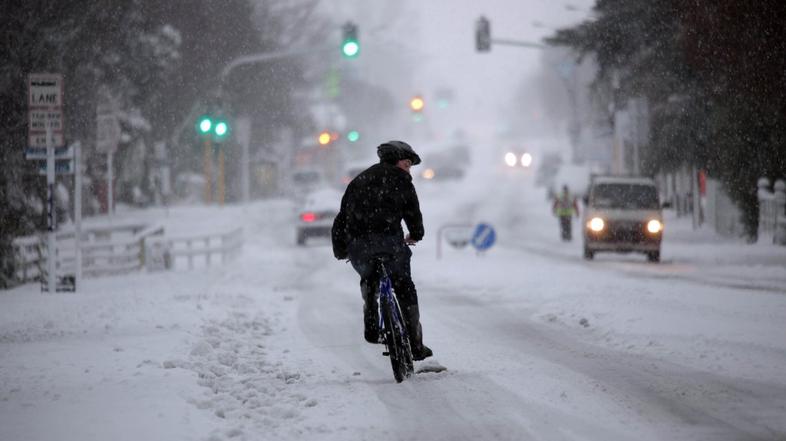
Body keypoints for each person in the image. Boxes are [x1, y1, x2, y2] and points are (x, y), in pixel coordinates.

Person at [331, 140, 433, 361]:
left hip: (359, 247)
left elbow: (341, 218)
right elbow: (413, 213)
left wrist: (341, 249)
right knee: (404, 285)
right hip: (390, 244)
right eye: (407, 164)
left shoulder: (358, 180)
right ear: (396, 160)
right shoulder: (401, 180)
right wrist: (415, 234)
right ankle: (416, 345)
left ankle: (371, 318)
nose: (409, 170)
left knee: (369, 276)